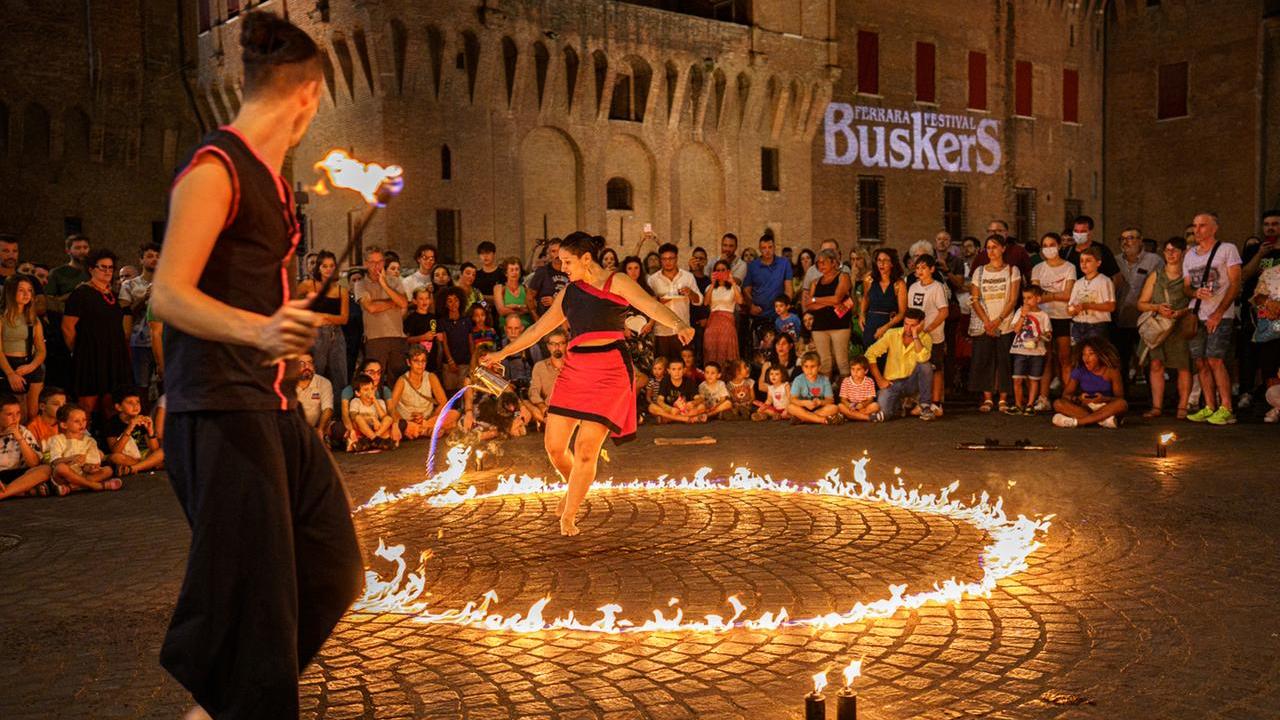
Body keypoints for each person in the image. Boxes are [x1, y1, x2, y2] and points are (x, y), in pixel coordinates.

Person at [150, 13, 364, 719]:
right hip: (219, 408)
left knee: (333, 567)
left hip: (270, 405)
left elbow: (243, 289)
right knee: (261, 608)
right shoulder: (215, 169)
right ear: (307, 96)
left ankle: (221, 704)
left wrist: (288, 312)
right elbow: (167, 295)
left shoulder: (272, 182)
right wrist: (261, 328)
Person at [479, 231, 694, 536]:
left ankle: (569, 514)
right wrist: (501, 353)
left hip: (610, 371)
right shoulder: (570, 292)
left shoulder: (617, 282)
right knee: (554, 447)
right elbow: (538, 329)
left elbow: (651, 306)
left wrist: (679, 324)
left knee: (585, 450)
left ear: (586, 258)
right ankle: (575, 486)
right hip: (576, 369)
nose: (563, 267)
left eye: (567, 262)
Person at [1182, 212, 1242, 425]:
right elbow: (1186, 286)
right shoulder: (1190, 255)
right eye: (1195, 225)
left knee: (1215, 359)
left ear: (1214, 228)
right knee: (1200, 362)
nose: (1197, 230)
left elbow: (1235, 283)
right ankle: (1209, 405)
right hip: (1197, 313)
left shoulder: (1227, 249)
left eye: (1202, 225)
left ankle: (1226, 407)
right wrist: (1195, 293)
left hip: (1220, 314)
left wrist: (1218, 313)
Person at [63, 248, 132, 417]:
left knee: (112, 404)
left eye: (110, 267)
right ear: (91, 269)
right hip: (89, 356)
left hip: (113, 356)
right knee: (87, 405)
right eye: (103, 267)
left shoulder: (114, 295)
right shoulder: (80, 294)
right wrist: (78, 351)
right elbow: (67, 327)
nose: (108, 271)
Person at [1136, 237, 1194, 419]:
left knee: (1183, 366)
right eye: (1167, 250)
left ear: (1183, 253)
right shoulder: (1156, 275)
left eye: (1175, 250)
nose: (1170, 254)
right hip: (1159, 326)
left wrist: (1181, 312)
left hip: (1180, 326)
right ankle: (1156, 406)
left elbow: (1196, 302)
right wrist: (1157, 308)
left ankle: (1182, 406)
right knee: (1156, 364)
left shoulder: (1189, 276)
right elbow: (1141, 303)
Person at [968, 235, 1022, 413]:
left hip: (1005, 323)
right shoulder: (979, 271)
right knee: (985, 360)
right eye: (988, 247)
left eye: (995, 247)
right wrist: (987, 321)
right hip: (985, 323)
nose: (991, 251)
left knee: (1004, 361)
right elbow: (974, 299)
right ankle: (988, 398)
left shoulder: (1012, 270)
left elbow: (1013, 299)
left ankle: (1003, 398)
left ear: (1003, 248)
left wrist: (998, 320)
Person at [1031, 232, 1078, 412]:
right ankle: (1043, 398)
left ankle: (1067, 396)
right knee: (1046, 357)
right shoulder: (1038, 269)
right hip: (1043, 317)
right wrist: (1055, 295)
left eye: (1052, 244)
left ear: (1058, 246)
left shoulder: (1069, 267)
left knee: (1065, 357)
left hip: (1063, 317)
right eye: (1045, 245)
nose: (1048, 248)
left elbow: (1068, 295)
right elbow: (1036, 295)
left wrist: (1048, 295)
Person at [1238, 210, 1280, 409]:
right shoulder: (1255, 249)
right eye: (1267, 224)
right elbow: (1244, 275)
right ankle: (1251, 393)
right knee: (1255, 353)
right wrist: (1260, 255)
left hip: (1278, 314)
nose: (1270, 228)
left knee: (1275, 353)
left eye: (1275, 224)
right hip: (1258, 314)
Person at [865, 308, 936, 421]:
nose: (908, 328)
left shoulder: (925, 338)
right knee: (884, 414)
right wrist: (879, 380)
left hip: (912, 383)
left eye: (913, 325)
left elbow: (923, 358)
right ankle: (901, 405)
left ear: (921, 324)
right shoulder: (892, 334)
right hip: (892, 384)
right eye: (906, 324)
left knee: (926, 366)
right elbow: (870, 354)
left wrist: (915, 335)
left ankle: (925, 406)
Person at [295, 250, 349, 398]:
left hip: (336, 335)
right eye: (324, 266)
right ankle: (311, 407)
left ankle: (338, 410)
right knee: (314, 374)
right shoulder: (308, 285)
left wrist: (323, 316)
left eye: (331, 266)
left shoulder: (342, 290)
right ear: (318, 267)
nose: (328, 269)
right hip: (315, 334)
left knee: (340, 377)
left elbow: (344, 319)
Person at [1114, 228, 1163, 381]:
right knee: (1121, 361)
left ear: (1141, 240)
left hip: (1146, 319)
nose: (1126, 242)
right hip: (1120, 319)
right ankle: (1123, 394)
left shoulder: (1154, 261)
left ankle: (1152, 394)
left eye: (1130, 238)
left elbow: (1161, 288)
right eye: (1122, 239)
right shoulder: (1115, 261)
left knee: (1149, 361)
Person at [355, 246, 409, 378]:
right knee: (374, 378)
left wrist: (384, 284)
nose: (376, 266)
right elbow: (371, 307)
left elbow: (403, 303)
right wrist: (393, 302)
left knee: (398, 378)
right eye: (372, 262)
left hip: (397, 337)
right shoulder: (360, 284)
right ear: (366, 264)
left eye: (379, 261)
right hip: (375, 339)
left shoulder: (395, 281)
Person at [1052, 337, 1128, 428]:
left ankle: (1077, 422)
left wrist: (1103, 399)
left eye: (1091, 354)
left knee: (1122, 404)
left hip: (1106, 407)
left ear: (1100, 355)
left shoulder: (1112, 371)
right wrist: (1078, 399)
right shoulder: (1079, 371)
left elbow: (1119, 398)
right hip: (1086, 408)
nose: (1086, 358)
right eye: (1084, 354)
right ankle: (1102, 421)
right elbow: (1066, 395)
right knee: (1058, 403)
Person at [907, 254, 949, 413]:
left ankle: (936, 402)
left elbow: (944, 312)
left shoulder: (937, 287)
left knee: (935, 368)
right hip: (917, 336)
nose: (920, 271)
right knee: (918, 367)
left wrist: (928, 328)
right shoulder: (913, 287)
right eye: (917, 268)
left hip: (934, 335)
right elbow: (910, 311)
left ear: (932, 269)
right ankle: (921, 401)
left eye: (923, 268)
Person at [1, 275, 46, 421]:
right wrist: (10, 374)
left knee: (32, 414)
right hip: (8, 365)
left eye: (29, 290)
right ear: (11, 292)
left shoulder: (33, 319)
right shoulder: (2, 318)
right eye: (21, 290)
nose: (27, 294)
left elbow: (41, 350)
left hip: (30, 365)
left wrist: (31, 366)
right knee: (16, 412)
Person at [804, 248, 853, 381]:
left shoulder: (843, 276)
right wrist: (828, 302)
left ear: (833, 262)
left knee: (842, 361)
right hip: (819, 325)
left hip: (839, 325)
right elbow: (808, 304)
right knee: (824, 363)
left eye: (823, 262)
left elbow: (837, 299)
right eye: (818, 263)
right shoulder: (815, 282)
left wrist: (816, 299)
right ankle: (826, 390)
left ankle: (845, 391)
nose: (821, 265)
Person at [647, 242, 702, 361]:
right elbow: (648, 304)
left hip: (683, 329)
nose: (668, 262)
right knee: (662, 365)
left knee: (683, 365)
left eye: (671, 258)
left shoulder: (687, 277)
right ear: (660, 260)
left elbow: (699, 301)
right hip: (661, 331)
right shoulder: (653, 280)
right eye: (664, 259)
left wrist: (690, 293)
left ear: (676, 258)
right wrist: (660, 301)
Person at [48, 404, 119, 492]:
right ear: (64, 425)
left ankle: (72, 487)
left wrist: (90, 468)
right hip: (65, 477)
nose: (82, 424)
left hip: (84, 475)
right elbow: (55, 462)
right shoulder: (57, 440)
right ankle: (95, 485)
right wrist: (71, 458)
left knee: (108, 470)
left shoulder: (90, 441)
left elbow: (92, 462)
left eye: (84, 420)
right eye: (76, 421)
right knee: (60, 468)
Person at [121, 242, 161, 390]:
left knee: (166, 383)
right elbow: (126, 313)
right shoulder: (129, 285)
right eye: (150, 256)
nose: (154, 259)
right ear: (141, 260)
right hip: (140, 342)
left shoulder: (167, 283)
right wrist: (144, 298)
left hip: (164, 341)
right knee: (141, 385)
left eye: (157, 256)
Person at [0, 394, 56, 500]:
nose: (15, 418)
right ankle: (22, 491)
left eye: (18, 413)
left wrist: (19, 438)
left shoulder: (23, 431)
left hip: (18, 476)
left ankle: (4, 494)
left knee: (46, 469)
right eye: (9, 414)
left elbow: (34, 463)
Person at [1008, 286, 1052, 414]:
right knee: (1017, 378)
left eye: (1029, 298)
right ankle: (1018, 405)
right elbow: (1016, 330)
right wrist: (1023, 315)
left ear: (1038, 299)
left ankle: (1030, 405)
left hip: (1037, 351)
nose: (1026, 301)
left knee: (1034, 379)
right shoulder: (1020, 311)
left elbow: (1049, 334)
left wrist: (1041, 337)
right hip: (1020, 350)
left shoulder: (1043, 315)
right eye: (1024, 298)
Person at [742, 233, 794, 342]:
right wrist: (751, 306)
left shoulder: (784, 263)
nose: (767, 250)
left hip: (779, 315)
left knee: (781, 346)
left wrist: (785, 309)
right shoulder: (752, 266)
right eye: (764, 248)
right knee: (761, 348)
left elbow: (789, 289)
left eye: (770, 247)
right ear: (760, 249)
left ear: (774, 247)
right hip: (759, 315)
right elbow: (746, 290)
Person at [104, 387, 165, 474]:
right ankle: (149, 465)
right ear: (119, 407)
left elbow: (154, 449)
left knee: (163, 451)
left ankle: (134, 468)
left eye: (137, 402)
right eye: (130, 402)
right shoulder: (112, 423)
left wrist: (150, 431)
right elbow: (115, 451)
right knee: (115, 457)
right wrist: (129, 428)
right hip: (127, 457)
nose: (135, 406)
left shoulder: (142, 419)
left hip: (143, 456)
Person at [860, 248, 907, 355]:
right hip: (871, 322)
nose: (881, 263)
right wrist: (861, 314)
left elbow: (902, 312)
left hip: (891, 324)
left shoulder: (899, 284)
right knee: (870, 356)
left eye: (885, 260)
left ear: (892, 263)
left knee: (888, 358)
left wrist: (885, 327)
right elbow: (865, 297)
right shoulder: (869, 279)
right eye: (879, 260)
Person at [1067, 245, 1116, 345]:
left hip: (1096, 325)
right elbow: (1070, 306)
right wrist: (1072, 310)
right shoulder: (1078, 283)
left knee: (1095, 351)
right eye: (1081, 261)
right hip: (1078, 324)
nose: (1084, 264)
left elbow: (1111, 306)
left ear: (1098, 263)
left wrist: (1087, 306)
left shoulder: (1104, 281)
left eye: (1088, 261)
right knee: (1078, 351)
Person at [701, 259, 742, 367]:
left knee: (727, 351)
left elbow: (740, 301)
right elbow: (706, 302)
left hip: (728, 321)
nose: (720, 272)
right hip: (712, 322)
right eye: (718, 270)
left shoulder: (734, 288)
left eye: (723, 270)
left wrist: (733, 282)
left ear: (728, 271)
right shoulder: (709, 288)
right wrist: (712, 283)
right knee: (711, 350)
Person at [345, 373, 397, 451]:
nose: (370, 392)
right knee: (358, 418)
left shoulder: (380, 402)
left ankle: (370, 441)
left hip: (376, 429)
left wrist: (375, 401)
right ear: (358, 393)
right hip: (362, 429)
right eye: (366, 390)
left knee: (389, 419)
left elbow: (383, 416)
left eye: (372, 389)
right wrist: (372, 419)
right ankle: (376, 440)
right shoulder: (355, 401)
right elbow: (353, 416)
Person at [526, 330, 567, 426]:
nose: (557, 347)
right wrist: (542, 407)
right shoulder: (540, 366)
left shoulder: (574, 365)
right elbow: (534, 391)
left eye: (561, 343)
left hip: (571, 410)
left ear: (566, 345)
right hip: (549, 411)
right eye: (553, 344)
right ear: (548, 346)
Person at [1061, 215, 1121, 280]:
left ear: (1090, 232)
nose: (1079, 234)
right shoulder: (1067, 251)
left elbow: (1116, 276)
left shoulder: (1102, 250)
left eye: (1083, 231)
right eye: (1076, 231)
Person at [786, 351, 840, 424]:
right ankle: (823, 420)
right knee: (790, 407)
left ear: (819, 367)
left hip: (819, 408)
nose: (809, 370)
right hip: (803, 407)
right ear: (802, 368)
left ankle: (803, 418)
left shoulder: (824, 380)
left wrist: (819, 402)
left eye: (813, 366)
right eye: (806, 366)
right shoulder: (798, 380)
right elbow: (792, 399)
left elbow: (830, 400)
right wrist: (804, 403)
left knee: (834, 408)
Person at [649, 356, 706, 423]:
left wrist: (693, 403)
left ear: (684, 370)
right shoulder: (665, 381)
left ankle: (670, 418)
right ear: (669, 371)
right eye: (673, 369)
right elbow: (659, 400)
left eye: (679, 369)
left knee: (702, 407)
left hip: (685, 410)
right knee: (651, 407)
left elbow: (699, 398)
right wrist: (670, 409)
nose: (677, 372)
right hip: (671, 410)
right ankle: (686, 419)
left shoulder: (689, 381)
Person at [294, 353, 334, 438]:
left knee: (337, 428)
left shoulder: (323, 382)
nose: (306, 367)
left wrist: (320, 429)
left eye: (310, 363)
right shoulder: (287, 383)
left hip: (315, 428)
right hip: (293, 428)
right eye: (301, 363)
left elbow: (328, 408)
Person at [526, 237, 570, 312]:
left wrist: (556, 301)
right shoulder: (542, 272)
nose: (557, 255)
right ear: (549, 254)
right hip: (546, 315)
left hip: (567, 315)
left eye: (559, 251)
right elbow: (530, 297)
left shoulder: (571, 271)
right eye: (553, 251)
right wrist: (535, 317)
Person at [494, 256, 537, 328]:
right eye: (511, 270)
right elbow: (502, 311)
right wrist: (520, 308)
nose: (514, 272)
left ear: (520, 272)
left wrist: (512, 307)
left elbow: (531, 309)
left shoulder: (526, 289)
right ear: (506, 273)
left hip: (526, 328)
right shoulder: (499, 288)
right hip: (508, 329)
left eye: (517, 269)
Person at [837, 355, 881, 422]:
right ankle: (868, 418)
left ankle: (851, 416)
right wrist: (849, 405)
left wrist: (862, 405)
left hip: (863, 407)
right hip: (851, 407)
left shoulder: (869, 381)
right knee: (840, 406)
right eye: (853, 369)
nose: (855, 372)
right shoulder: (846, 381)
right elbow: (843, 399)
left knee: (875, 406)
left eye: (858, 369)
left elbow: (870, 399)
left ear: (866, 371)